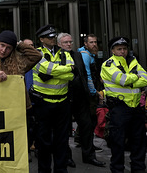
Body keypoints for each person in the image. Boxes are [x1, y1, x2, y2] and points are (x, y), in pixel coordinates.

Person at [57, 33, 105, 168]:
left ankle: (89, 156)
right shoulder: (58, 56)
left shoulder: (78, 55)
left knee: (87, 125)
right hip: (64, 97)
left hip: (80, 97)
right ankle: (66, 157)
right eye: (65, 42)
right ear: (59, 44)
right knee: (65, 130)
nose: (68, 44)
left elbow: (85, 74)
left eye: (70, 42)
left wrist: (90, 92)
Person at [31, 24, 74, 173]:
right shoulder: (37, 53)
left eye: (53, 36)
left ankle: (61, 170)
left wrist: (52, 73)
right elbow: (44, 69)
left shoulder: (65, 53)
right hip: (44, 103)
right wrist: (62, 70)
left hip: (62, 102)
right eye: (49, 37)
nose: (53, 39)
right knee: (43, 142)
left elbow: (71, 74)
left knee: (62, 141)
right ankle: (44, 170)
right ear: (41, 39)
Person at [101, 36, 147, 173]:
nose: (122, 51)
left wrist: (131, 80)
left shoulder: (133, 61)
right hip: (119, 108)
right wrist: (135, 78)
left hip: (136, 107)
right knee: (118, 142)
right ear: (113, 50)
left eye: (125, 49)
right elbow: (122, 80)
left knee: (139, 141)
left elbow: (145, 79)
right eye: (119, 49)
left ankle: (138, 168)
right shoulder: (108, 64)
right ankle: (117, 169)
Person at [0, 31, 42, 106]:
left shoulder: (19, 62)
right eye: (2, 45)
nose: (4, 50)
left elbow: (36, 56)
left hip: (15, 105)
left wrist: (19, 45)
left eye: (8, 48)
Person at [78, 34, 103, 130]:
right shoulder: (85, 55)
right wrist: (93, 92)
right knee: (90, 116)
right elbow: (87, 75)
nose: (94, 44)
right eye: (91, 42)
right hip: (88, 92)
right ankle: (82, 139)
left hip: (91, 90)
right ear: (85, 44)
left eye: (95, 42)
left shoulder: (92, 54)